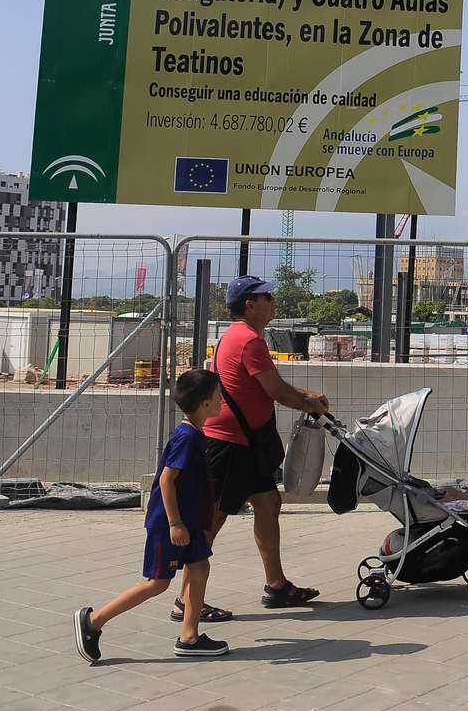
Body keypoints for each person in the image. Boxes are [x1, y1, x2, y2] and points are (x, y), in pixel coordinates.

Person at [175, 275, 329, 624]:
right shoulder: (247, 340)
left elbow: (265, 387)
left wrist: (306, 398)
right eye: (267, 297)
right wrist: (309, 402)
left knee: (268, 503)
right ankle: (185, 601)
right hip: (231, 446)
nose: (273, 302)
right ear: (250, 304)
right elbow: (276, 390)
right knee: (212, 519)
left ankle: (276, 585)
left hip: (248, 443)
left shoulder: (241, 336)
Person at [74, 369, 229, 662]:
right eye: (218, 396)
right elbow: (166, 480)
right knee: (158, 583)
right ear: (205, 405)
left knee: (200, 569)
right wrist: (174, 523)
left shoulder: (195, 433)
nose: (222, 400)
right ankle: (93, 621)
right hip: (172, 524)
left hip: (189, 522)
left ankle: (189, 637)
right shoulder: (186, 437)